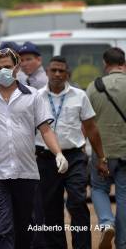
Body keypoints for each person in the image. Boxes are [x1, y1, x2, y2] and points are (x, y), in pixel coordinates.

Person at [0, 48, 68, 249]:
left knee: (24, 228)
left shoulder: (33, 96)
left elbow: (45, 129)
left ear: (17, 67)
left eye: (7, 67)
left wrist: (59, 153)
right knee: (1, 228)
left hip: (26, 173)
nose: (3, 70)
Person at [33, 56, 106, 249]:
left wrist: (101, 157)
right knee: (50, 207)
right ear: (47, 72)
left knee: (77, 201)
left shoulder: (79, 95)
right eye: (54, 70)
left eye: (61, 71)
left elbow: (91, 128)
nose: (57, 74)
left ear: (68, 74)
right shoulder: (36, 96)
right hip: (46, 159)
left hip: (74, 157)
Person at [86, 47, 126, 249]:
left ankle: (106, 222)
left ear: (105, 63)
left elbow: (87, 122)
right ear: (124, 63)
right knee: (124, 195)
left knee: (99, 189)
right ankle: (122, 243)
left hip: (101, 152)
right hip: (125, 152)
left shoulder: (94, 87)